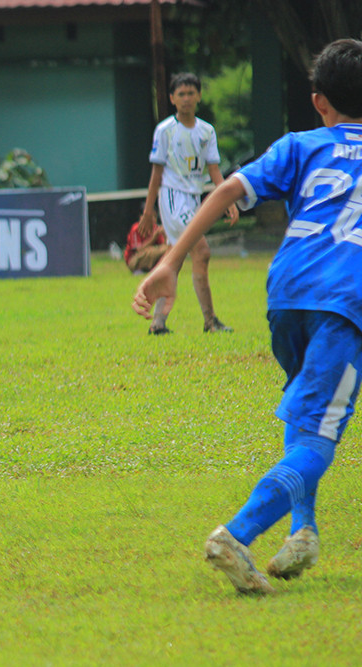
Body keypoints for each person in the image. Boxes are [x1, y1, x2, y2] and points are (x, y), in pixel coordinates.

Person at [133, 38, 362, 594]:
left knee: (305, 405)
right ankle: (237, 534)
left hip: (288, 288)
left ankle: (303, 530)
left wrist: (170, 262)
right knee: (319, 438)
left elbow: (229, 190)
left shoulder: (302, 144)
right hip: (346, 301)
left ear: (318, 101)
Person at [137, 72, 238, 335]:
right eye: (180, 94)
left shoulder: (207, 131)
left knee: (175, 257)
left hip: (192, 200)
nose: (186, 98)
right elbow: (156, 174)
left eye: (190, 93)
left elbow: (214, 170)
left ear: (199, 96)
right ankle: (210, 321)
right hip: (172, 198)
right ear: (172, 98)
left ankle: (158, 322)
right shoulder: (165, 131)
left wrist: (227, 197)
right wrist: (148, 212)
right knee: (201, 252)